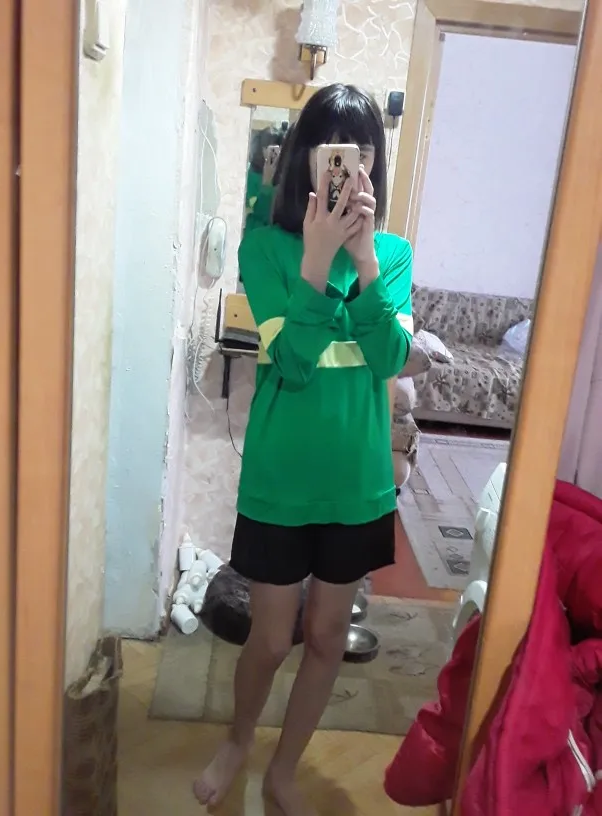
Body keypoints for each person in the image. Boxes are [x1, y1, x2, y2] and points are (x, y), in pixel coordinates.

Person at [194, 83, 414, 815]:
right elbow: (289, 364)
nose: (351, 173)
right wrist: (317, 262)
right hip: (281, 482)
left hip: (357, 484)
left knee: (325, 637)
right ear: (306, 163)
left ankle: (284, 768)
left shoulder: (394, 255)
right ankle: (238, 740)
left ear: (375, 165)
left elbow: (388, 360)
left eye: (364, 157)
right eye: (335, 157)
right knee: (269, 638)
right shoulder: (263, 248)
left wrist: (364, 261)